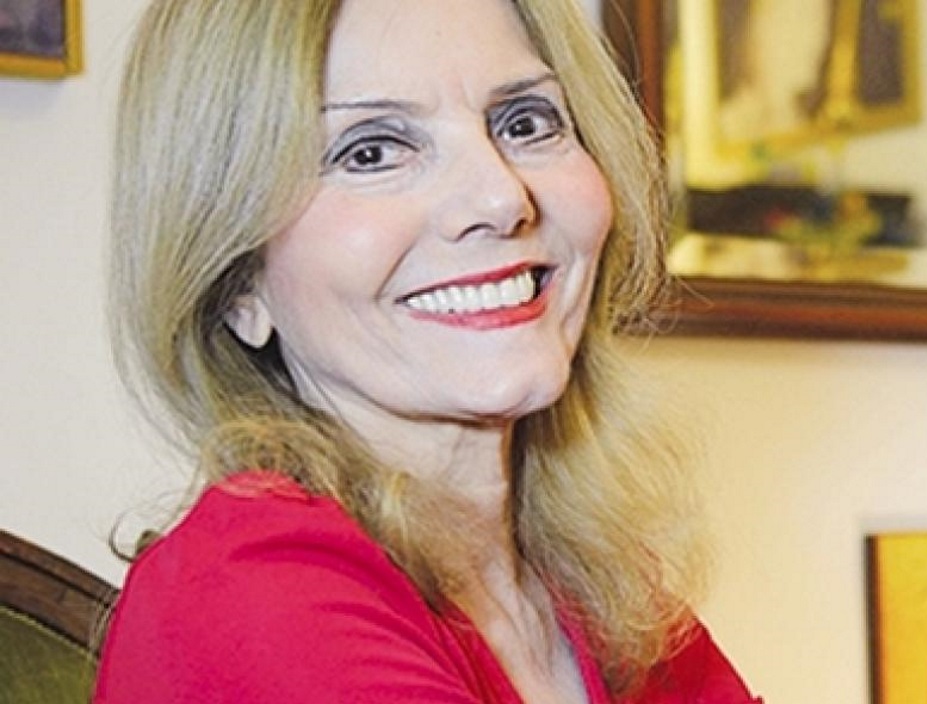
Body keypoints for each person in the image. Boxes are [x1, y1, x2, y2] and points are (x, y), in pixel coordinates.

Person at [94, 1, 760, 702]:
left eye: (525, 123)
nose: (501, 199)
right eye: (371, 151)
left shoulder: (593, 587)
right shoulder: (247, 596)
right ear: (238, 283)